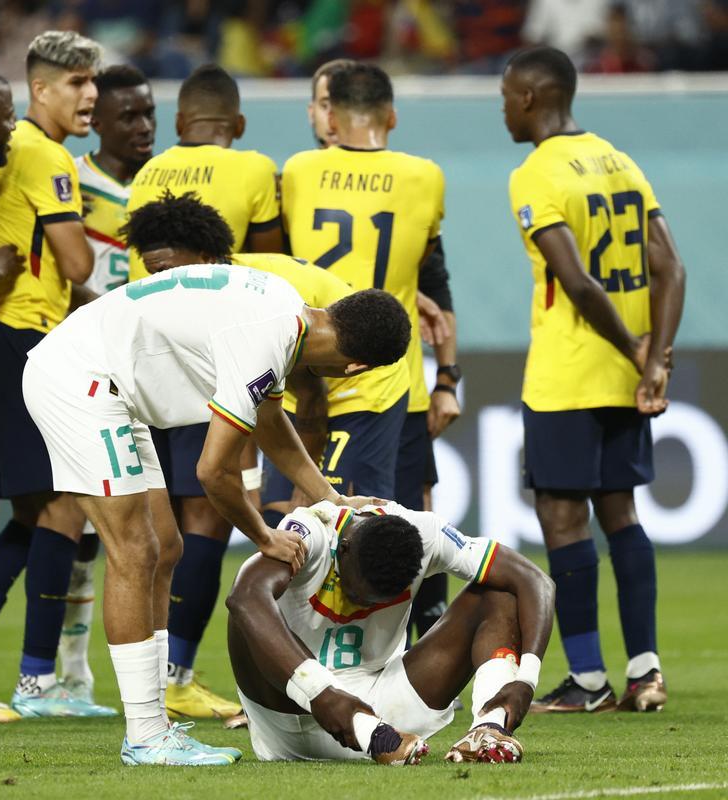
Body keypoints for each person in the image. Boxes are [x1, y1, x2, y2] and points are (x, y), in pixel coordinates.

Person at [22, 262, 411, 765]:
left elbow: (270, 421)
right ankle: (145, 735)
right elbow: (213, 474)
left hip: (107, 382)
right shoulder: (265, 341)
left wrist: (327, 498)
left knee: (165, 545)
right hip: (83, 383)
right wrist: (264, 535)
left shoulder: (284, 312)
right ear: (356, 367)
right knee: (135, 552)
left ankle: (154, 724)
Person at [501, 46, 685, 713]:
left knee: (560, 515)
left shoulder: (536, 174)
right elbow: (672, 269)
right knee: (622, 513)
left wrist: (637, 348)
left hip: (569, 373)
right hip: (624, 376)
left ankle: (587, 680)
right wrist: (654, 356)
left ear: (528, 98)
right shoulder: (620, 161)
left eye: (504, 97)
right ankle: (646, 671)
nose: (502, 109)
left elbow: (575, 282)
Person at [123, 62, 283, 721]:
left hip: (144, 353)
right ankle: (180, 673)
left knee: (159, 530)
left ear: (180, 125)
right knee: (207, 515)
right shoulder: (253, 170)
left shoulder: (146, 175)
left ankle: (149, 674)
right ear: (236, 126)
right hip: (213, 357)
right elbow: (269, 260)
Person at [0, 30, 113, 718]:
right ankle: (34, 682)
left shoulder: (7, 148)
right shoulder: (48, 156)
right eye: (77, 83)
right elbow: (77, 264)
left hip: (3, 337)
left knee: (31, 514)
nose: (91, 96)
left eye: (93, 82)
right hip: (22, 340)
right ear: (40, 88)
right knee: (62, 506)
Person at [283, 62, 460, 642]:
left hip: (322, 373)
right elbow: (433, 275)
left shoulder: (299, 172)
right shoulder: (425, 176)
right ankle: (431, 647)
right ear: (392, 116)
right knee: (415, 514)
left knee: (327, 519)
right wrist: (447, 376)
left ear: (328, 115)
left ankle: (321, 658)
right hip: (399, 375)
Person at [121, 192, 409, 524]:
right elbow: (249, 401)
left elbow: (312, 396)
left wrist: (313, 495)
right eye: (151, 273)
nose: (159, 282)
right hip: (302, 384)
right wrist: (262, 493)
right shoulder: (214, 304)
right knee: (282, 517)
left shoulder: (261, 309)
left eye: (164, 270)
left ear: (204, 258)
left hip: (361, 389)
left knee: (344, 523)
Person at [225, 500, 555, 764]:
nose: (358, 607)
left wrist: (525, 679)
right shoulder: (311, 531)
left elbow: (535, 581)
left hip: (383, 709)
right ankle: (368, 732)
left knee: (498, 592)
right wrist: (321, 692)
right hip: (293, 714)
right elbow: (244, 598)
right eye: (354, 593)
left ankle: (489, 727)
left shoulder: (425, 535)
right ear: (345, 547)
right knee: (247, 609)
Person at [59, 63, 156, 701]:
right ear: (99, 122)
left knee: (119, 532)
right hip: (80, 367)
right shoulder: (72, 183)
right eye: (129, 116)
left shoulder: (164, 184)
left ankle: (71, 672)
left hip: (145, 375)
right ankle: (59, 668)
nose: (145, 126)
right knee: (71, 526)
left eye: (150, 113)